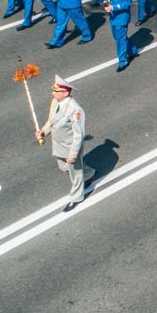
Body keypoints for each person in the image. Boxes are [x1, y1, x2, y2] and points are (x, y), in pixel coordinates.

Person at [36, 75, 94, 212]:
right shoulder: (56, 102)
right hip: (59, 145)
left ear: (65, 93)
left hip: (70, 146)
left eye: (56, 91)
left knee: (75, 173)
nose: (52, 93)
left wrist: (73, 155)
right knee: (64, 168)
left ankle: (76, 197)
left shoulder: (75, 110)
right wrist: (43, 132)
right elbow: (51, 122)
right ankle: (90, 173)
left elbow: (78, 135)